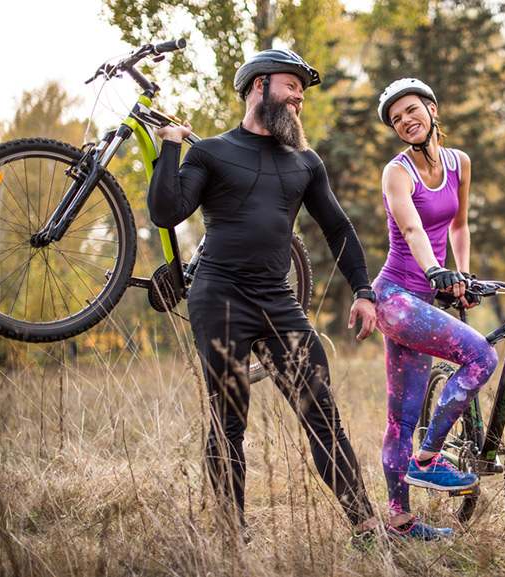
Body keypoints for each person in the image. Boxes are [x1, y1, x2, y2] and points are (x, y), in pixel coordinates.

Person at [147, 49, 381, 547]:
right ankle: (233, 533)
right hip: (219, 298)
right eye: (292, 85)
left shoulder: (305, 161)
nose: (299, 97)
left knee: (322, 411)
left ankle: (365, 524)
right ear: (259, 85)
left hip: (278, 301)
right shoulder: (209, 151)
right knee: (227, 419)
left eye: (302, 89)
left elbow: (337, 228)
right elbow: (168, 211)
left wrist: (363, 290)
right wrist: (170, 147)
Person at [371, 78, 499, 540]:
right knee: (482, 356)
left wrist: (460, 275)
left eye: (411, 110)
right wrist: (434, 271)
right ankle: (428, 459)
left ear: (431, 108)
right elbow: (411, 228)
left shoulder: (458, 163)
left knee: (402, 416)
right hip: (395, 297)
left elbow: (459, 226)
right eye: (396, 118)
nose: (405, 121)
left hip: (424, 295)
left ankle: (400, 524)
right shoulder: (396, 172)